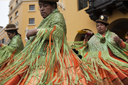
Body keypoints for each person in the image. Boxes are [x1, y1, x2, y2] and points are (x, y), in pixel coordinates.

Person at [0, 0, 97, 85]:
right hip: (42, 56)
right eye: (40, 6)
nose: (41, 9)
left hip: (51, 57)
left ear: (53, 6)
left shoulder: (57, 16)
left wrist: (36, 31)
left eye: (45, 6)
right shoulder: (47, 19)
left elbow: (58, 33)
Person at [78, 15, 128, 84]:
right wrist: (86, 40)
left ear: (106, 27)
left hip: (113, 59)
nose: (99, 27)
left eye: (101, 25)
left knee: (126, 69)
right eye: (97, 26)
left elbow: (123, 47)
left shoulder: (112, 35)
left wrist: (119, 41)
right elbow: (85, 49)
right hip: (100, 63)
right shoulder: (93, 38)